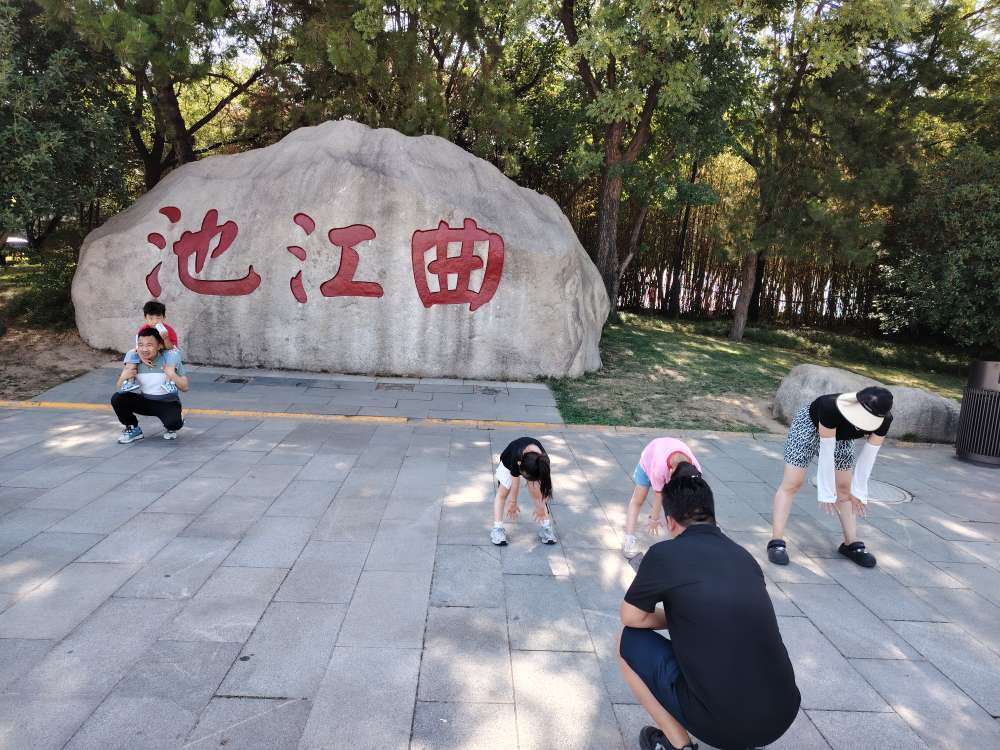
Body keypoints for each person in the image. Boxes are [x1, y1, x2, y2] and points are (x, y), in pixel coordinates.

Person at [618, 463, 800, 750]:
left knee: (627, 642)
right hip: (783, 713)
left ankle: (679, 745)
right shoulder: (743, 556)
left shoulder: (664, 554)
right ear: (712, 517)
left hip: (726, 727)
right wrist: (687, 615)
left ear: (670, 522)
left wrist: (676, 616)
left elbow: (631, 617)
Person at [767, 387, 893, 568]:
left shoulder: (885, 420)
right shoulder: (830, 406)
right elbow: (827, 451)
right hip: (809, 426)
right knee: (793, 483)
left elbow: (869, 456)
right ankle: (776, 542)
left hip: (842, 438)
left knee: (845, 488)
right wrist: (826, 491)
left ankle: (850, 543)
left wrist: (859, 490)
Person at [622, 437, 701, 559]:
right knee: (639, 499)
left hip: (669, 459)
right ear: (671, 471)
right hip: (649, 460)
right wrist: (654, 519)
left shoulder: (695, 469)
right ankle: (629, 540)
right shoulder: (659, 468)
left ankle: (683, 543)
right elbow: (659, 495)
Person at [111, 327, 189, 443]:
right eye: (141, 345)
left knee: (173, 424)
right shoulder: (134, 360)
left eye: (149, 345)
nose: (144, 349)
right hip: (146, 401)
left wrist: (172, 375)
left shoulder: (170, 359)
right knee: (117, 398)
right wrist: (123, 377)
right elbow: (119, 387)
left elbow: (185, 387)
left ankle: (178, 418)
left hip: (167, 403)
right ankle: (133, 428)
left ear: (159, 346)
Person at [490, 436, 556, 546]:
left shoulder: (543, 462)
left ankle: (546, 528)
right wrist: (513, 503)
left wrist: (541, 508)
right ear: (520, 465)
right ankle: (497, 529)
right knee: (502, 493)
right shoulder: (516, 456)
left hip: (532, 466)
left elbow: (545, 488)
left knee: (537, 493)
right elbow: (515, 483)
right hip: (508, 462)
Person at [119, 301, 180, 393]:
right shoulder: (144, 329)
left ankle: (168, 382)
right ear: (145, 318)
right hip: (150, 351)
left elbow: (171, 348)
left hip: (164, 351)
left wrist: (166, 338)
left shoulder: (168, 330)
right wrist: (142, 358)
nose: (155, 321)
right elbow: (138, 347)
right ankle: (129, 382)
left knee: (173, 353)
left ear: (164, 318)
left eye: (158, 318)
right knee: (131, 353)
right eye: (151, 318)